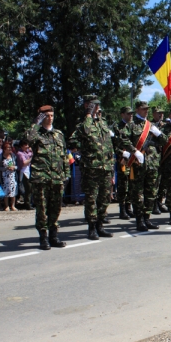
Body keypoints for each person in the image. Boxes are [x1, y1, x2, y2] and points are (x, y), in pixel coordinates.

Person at [23, 105, 71, 250]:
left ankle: (53, 236)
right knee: (42, 209)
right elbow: (26, 139)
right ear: (41, 117)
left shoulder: (58, 134)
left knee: (56, 208)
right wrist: (35, 123)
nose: (50, 118)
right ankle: (43, 238)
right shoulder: (36, 133)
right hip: (41, 177)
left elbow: (64, 155)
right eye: (46, 116)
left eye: (51, 115)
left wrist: (66, 174)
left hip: (57, 177)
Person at [69, 95, 114, 240]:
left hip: (105, 167)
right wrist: (88, 115)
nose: (97, 107)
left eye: (97, 104)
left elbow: (109, 145)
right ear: (87, 105)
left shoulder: (103, 123)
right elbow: (78, 138)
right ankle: (92, 228)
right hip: (91, 168)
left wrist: (111, 166)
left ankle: (100, 225)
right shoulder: (82, 124)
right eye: (93, 105)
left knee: (105, 198)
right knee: (91, 199)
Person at [119, 101, 167, 231]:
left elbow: (164, 141)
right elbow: (122, 139)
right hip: (138, 164)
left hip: (152, 164)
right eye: (143, 109)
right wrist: (134, 151)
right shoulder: (131, 125)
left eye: (147, 109)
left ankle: (147, 218)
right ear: (137, 110)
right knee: (137, 194)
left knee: (151, 193)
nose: (145, 111)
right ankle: (139, 221)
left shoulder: (150, 125)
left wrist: (158, 133)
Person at [112, 106, 135, 220]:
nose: (130, 116)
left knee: (131, 185)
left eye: (131, 114)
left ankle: (128, 207)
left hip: (133, 159)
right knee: (123, 185)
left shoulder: (133, 126)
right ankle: (122, 209)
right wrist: (122, 153)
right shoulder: (116, 127)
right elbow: (113, 145)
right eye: (128, 114)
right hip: (123, 160)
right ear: (122, 114)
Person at [0, 142, 18, 211]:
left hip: (12, 176)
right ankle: (6, 206)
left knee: (13, 191)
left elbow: (17, 166)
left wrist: (14, 167)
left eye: (10, 147)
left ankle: (12, 205)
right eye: (8, 148)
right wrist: (6, 168)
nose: (9, 149)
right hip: (4, 177)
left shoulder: (13, 156)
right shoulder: (0, 157)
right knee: (5, 191)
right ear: (4, 149)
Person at [16, 140, 34, 210]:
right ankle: (27, 204)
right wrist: (31, 158)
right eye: (25, 145)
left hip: (29, 171)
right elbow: (24, 163)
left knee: (31, 188)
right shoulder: (20, 153)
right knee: (27, 188)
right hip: (23, 172)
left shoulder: (28, 152)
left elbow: (31, 154)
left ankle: (30, 202)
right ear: (21, 146)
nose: (27, 146)